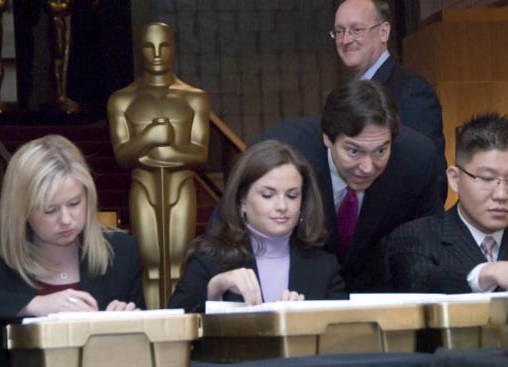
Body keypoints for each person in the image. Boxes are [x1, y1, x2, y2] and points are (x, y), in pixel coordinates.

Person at [242, 80, 443, 293]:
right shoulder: (283, 152)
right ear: (327, 138)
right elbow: (228, 230)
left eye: (380, 151)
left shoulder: (417, 159)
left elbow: (428, 239)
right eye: (354, 151)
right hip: (299, 293)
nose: (367, 167)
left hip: (378, 292)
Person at [0, 134, 145, 367]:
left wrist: (127, 322)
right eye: (50, 210)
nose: (66, 219)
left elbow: (144, 345)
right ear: (22, 210)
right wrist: (33, 306)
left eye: (74, 203)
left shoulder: (122, 251)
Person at [169, 140, 346, 312]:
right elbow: (172, 330)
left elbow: (344, 336)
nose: (282, 206)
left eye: (292, 196)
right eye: (268, 195)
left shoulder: (325, 266)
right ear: (242, 201)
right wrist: (214, 290)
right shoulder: (209, 259)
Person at [107, 22, 210, 309]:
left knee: (180, 262)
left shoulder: (193, 97)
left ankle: (177, 327)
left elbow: (200, 155)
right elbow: (122, 155)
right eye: (149, 46)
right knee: (149, 263)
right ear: (139, 50)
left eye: (163, 45)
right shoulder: (122, 100)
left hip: (181, 186)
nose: (156, 53)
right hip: (143, 185)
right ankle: (154, 327)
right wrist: (150, 137)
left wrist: (156, 152)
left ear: (173, 49)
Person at [386, 113, 508, 293]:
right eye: (487, 178)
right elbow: (419, 281)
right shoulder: (416, 236)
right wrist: (486, 273)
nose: (501, 194)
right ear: (455, 179)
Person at [332, 0, 447, 201]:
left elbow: (430, 176)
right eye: (339, 31)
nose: (346, 39)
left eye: (356, 29)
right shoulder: (345, 95)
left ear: (384, 32)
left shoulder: (411, 91)